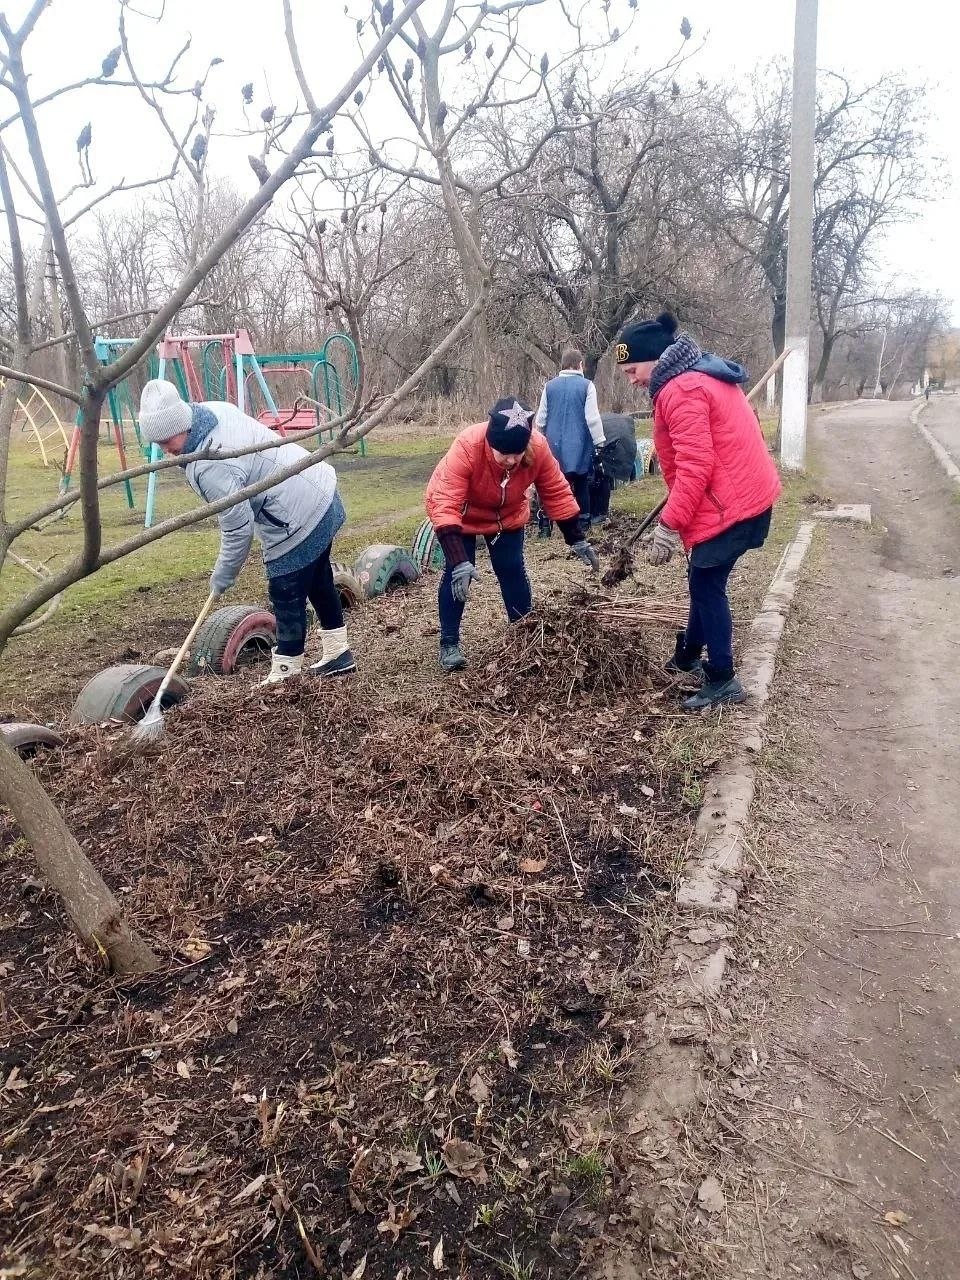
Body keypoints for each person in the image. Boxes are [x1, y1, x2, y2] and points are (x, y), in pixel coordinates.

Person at [615, 312, 781, 710]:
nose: (631, 379)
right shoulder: (697, 376)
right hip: (743, 497)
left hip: (731, 506)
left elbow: (696, 468)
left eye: (632, 369)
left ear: (655, 358)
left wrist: (669, 525)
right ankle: (688, 656)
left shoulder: (682, 390)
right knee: (701, 580)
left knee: (707, 586)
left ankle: (722, 679)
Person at [137, 379, 355, 685]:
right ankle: (338, 653)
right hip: (319, 487)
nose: (165, 450)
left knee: (286, 592)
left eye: (165, 440)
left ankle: (285, 675)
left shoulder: (212, 465)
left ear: (181, 423)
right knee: (318, 579)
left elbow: (238, 528)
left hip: (295, 512)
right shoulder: (212, 411)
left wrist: (222, 576)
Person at [425, 396, 600, 671]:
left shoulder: (538, 448)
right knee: (457, 576)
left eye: (516, 454)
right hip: (461, 516)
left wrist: (575, 536)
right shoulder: (468, 445)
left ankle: (523, 636)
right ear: (490, 443)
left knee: (512, 569)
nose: (510, 460)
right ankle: (449, 642)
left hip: (507, 515)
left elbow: (555, 490)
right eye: (503, 454)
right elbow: (445, 501)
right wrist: (459, 560)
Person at [535, 347, 606, 524]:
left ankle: (546, 521)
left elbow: (541, 417)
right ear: (580, 364)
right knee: (581, 482)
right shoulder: (587, 386)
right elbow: (592, 418)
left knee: (552, 483)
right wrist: (599, 442)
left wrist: (540, 436)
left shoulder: (549, 386)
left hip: (554, 444)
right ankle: (583, 520)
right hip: (579, 443)